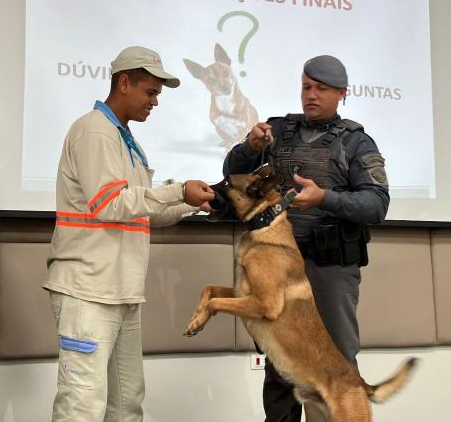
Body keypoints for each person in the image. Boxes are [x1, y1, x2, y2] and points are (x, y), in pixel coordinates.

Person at [44, 45, 216, 422]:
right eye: (150, 92)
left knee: (126, 404)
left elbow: (142, 214)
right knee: (81, 405)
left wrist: (191, 202)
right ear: (124, 83)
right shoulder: (94, 131)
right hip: (87, 290)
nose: (155, 102)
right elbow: (110, 204)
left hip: (119, 290)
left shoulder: (124, 139)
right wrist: (177, 190)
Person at [222, 55, 389, 422]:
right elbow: (232, 175)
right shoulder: (279, 131)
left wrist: (325, 198)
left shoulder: (356, 143)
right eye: (306, 87)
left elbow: (377, 203)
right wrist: (250, 148)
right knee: (281, 365)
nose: (311, 96)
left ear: (342, 93)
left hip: (330, 269)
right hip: (279, 266)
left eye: (322, 89)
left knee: (335, 365)